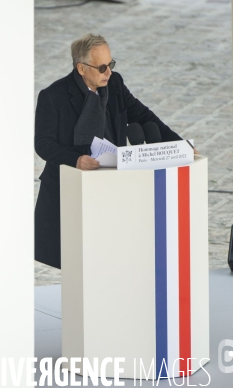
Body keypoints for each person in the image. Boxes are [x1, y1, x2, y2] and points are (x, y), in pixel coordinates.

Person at [34, 33, 183, 269]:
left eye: (111, 65)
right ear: (81, 68)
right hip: (71, 185)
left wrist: (180, 144)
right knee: (76, 257)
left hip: (113, 182)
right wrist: (76, 159)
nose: (108, 72)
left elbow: (143, 116)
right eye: (102, 67)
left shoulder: (114, 84)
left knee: (111, 252)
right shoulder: (53, 96)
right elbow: (43, 143)